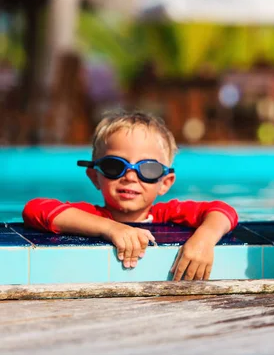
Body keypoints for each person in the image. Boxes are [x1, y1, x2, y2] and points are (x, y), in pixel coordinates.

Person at [22, 110, 238, 281]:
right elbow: (35, 209)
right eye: (115, 166)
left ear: (165, 183)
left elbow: (223, 211)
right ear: (94, 177)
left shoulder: (166, 214)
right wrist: (110, 228)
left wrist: (204, 241)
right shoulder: (93, 216)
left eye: (148, 169)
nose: (130, 177)